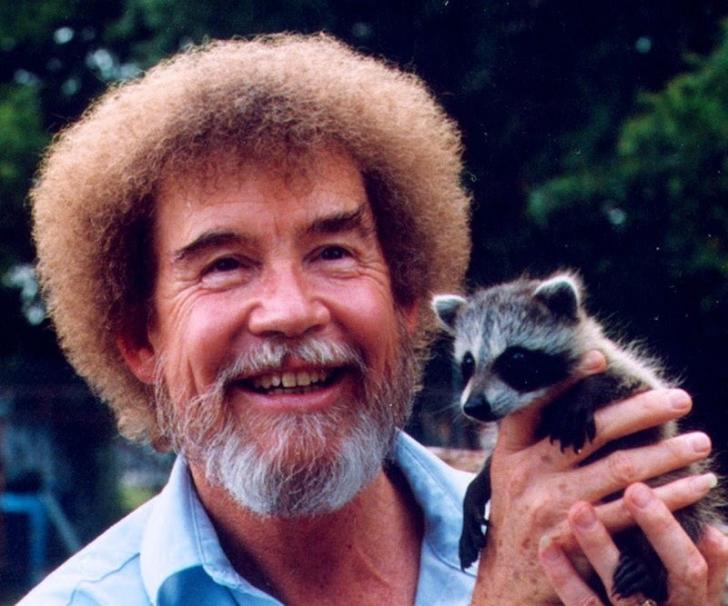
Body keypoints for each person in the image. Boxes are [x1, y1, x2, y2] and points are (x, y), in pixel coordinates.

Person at [20, 33, 727, 605]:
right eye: (224, 265)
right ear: (141, 339)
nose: (291, 312)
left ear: (407, 297)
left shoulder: (603, 533)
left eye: (333, 251)